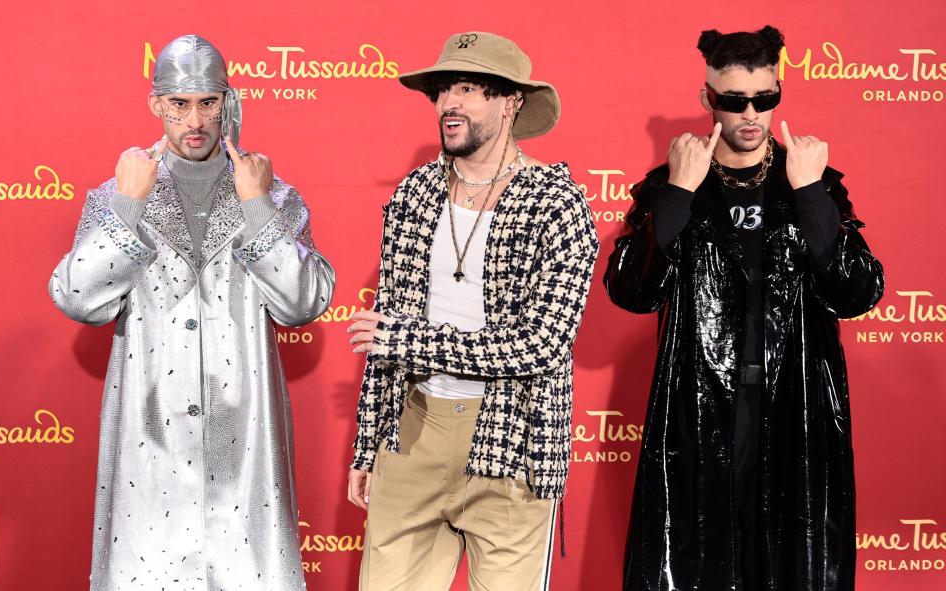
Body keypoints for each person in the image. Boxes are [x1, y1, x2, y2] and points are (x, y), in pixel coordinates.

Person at [48, 34, 334, 590]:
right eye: (179, 104)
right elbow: (76, 298)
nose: (195, 119)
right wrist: (127, 207)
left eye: (208, 102)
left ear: (227, 101)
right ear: (156, 105)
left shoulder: (274, 197)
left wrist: (256, 210)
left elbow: (303, 304)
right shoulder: (115, 196)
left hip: (244, 445)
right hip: (149, 447)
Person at [605, 25, 884, 591]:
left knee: (789, 568)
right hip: (699, 412)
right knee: (697, 566)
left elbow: (858, 292)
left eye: (766, 97)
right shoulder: (671, 185)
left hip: (796, 410)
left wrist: (810, 196)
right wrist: (678, 194)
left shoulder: (814, 183)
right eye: (734, 101)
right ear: (707, 98)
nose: (751, 114)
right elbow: (631, 292)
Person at [345, 31, 599, 590]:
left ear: (512, 102)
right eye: (442, 91)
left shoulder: (556, 203)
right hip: (411, 431)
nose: (449, 104)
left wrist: (411, 341)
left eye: (468, 89)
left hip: (510, 443)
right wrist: (368, 445)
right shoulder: (415, 194)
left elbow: (542, 344)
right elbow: (385, 331)